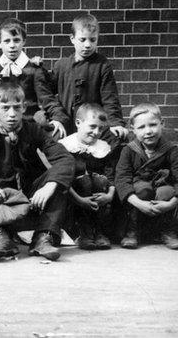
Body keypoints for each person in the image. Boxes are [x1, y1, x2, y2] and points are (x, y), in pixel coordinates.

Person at [0, 83, 75, 262]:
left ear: (24, 107)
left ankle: (42, 237)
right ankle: (0, 237)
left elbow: (65, 159)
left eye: (17, 108)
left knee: (58, 180)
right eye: (5, 108)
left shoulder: (34, 130)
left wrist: (49, 186)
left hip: (31, 198)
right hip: (1, 201)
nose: (11, 114)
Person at [40, 13, 129, 143]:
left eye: (93, 40)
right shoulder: (61, 65)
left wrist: (115, 123)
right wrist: (38, 68)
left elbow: (110, 98)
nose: (87, 45)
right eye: (82, 40)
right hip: (68, 123)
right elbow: (47, 92)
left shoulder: (102, 65)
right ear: (72, 39)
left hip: (93, 126)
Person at [115, 103, 178, 250]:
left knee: (167, 191)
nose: (148, 131)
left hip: (162, 196)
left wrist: (171, 203)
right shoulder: (128, 151)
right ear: (133, 129)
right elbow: (122, 179)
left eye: (153, 125)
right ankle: (133, 231)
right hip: (138, 197)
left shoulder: (171, 150)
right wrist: (138, 203)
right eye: (141, 127)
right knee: (142, 188)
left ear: (162, 123)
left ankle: (166, 231)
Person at [0, 18, 64, 138]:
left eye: (16, 40)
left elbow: (47, 98)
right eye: (7, 41)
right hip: (0, 123)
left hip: (28, 123)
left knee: (55, 134)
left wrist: (58, 118)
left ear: (24, 41)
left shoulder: (33, 69)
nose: (12, 45)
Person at [59, 104, 117, 250]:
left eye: (101, 128)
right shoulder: (67, 146)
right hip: (73, 195)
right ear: (78, 123)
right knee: (84, 181)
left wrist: (110, 195)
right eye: (92, 126)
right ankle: (83, 233)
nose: (96, 132)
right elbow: (62, 178)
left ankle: (99, 232)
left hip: (98, 193)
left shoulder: (103, 147)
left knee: (100, 180)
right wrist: (79, 199)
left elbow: (110, 174)